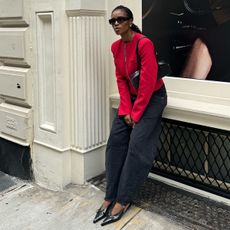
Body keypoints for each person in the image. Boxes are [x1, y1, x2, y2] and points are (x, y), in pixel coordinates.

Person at [93, 5, 167, 226]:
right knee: (115, 144)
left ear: (130, 20)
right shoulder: (115, 47)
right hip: (131, 101)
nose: (116, 24)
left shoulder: (144, 43)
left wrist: (135, 114)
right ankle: (110, 195)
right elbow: (121, 79)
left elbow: (146, 83)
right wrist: (125, 110)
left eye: (120, 19)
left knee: (137, 147)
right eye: (112, 21)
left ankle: (123, 200)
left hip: (153, 98)